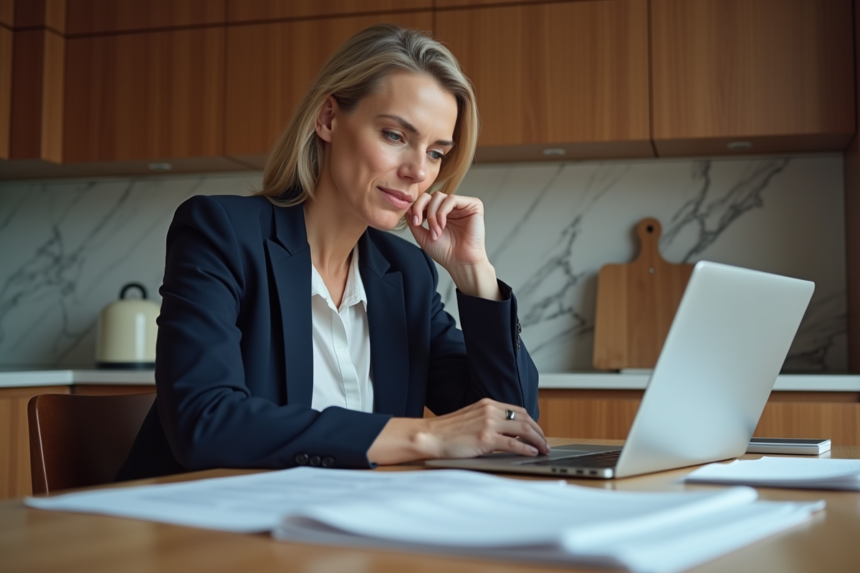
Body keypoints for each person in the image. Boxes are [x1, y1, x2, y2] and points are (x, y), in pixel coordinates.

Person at [118, 24, 548, 481]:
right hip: (197, 529)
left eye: (437, 152)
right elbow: (204, 422)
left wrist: (474, 274)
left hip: (341, 525)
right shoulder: (222, 232)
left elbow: (511, 426)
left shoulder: (405, 272)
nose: (418, 170)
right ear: (327, 119)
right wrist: (426, 436)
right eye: (395, 136)